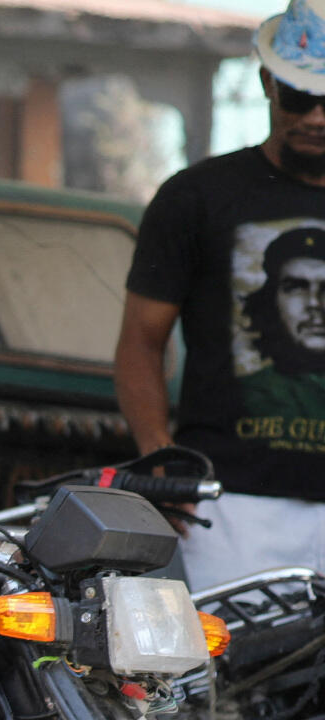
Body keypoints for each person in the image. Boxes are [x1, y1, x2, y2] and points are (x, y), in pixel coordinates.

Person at [118, 0, 325, 586]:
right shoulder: (196, 197)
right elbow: (140, 341)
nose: (317, 116)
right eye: (300, 96)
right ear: (267, 82)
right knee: (228, 675)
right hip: (232, 504)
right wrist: (162, 460)